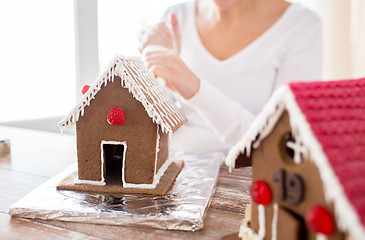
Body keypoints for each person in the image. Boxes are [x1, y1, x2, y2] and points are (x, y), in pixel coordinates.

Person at [139, 0, 322, 153]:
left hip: (251, 183)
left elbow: (279, 146)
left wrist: (196, 89)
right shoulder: (177, 17)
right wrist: (151, 69)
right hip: (178, 177)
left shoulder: (301, 26)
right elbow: (155, 127)